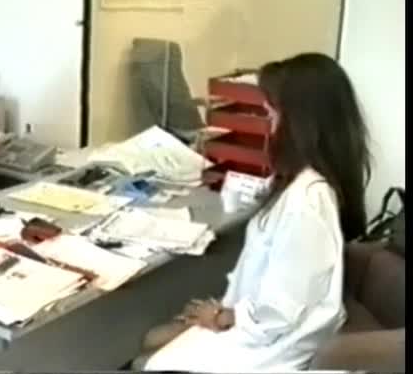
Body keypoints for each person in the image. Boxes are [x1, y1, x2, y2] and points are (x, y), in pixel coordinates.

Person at [134, 53, 372, 371]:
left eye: (273, 114)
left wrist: (222, 317)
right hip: (260, 320)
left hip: (277, 342)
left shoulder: (307, 201)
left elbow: (283, 310)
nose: (269, 126)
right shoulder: (300, 182)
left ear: (300, 122)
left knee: (148, 360)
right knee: (153, 340)